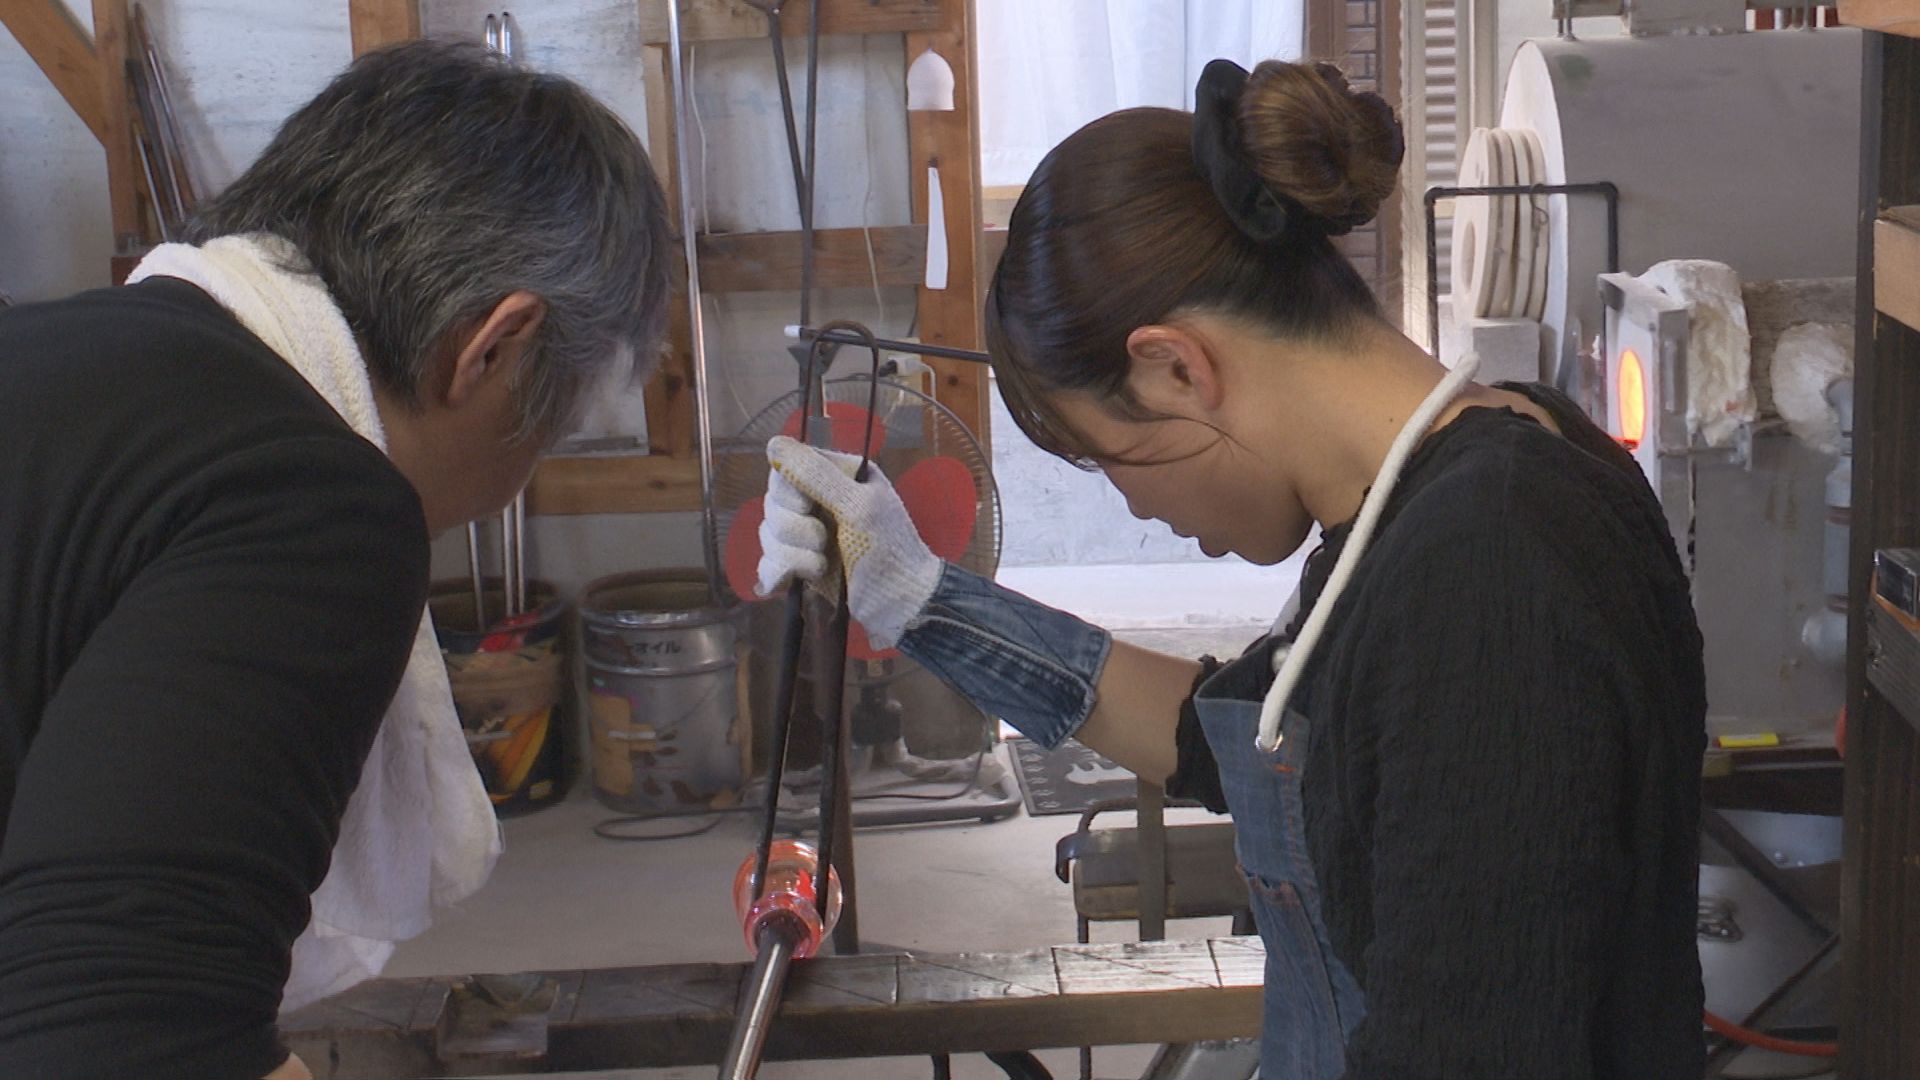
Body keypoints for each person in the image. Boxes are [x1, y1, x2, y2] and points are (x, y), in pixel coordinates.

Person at [757, 58, 1707, 1078]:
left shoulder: (1489, 567)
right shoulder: (1462, 479)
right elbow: (1243, 743)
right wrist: (915, 596)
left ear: (1177, 366)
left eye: (1114, 459)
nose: (1138, 507)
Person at [0, 40, 670, 1079]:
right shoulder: (311, 498)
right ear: (493, 349)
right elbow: (123, 1034)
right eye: (562, 417)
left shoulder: (60, 357)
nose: (528, 465)